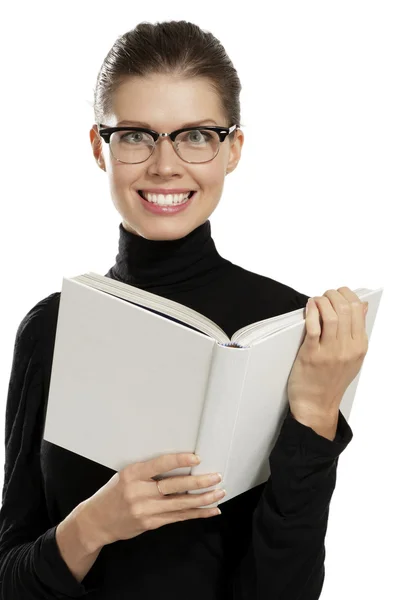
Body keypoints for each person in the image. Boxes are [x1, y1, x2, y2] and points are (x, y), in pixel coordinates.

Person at [0, 19, 367, 600]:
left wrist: (317, 418)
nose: (165, 165)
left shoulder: (290, 329)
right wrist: (93, 526)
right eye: (136, 135)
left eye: (196, 135)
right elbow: (10, 576)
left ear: (232, 150)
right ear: (100, 147)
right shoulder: (51, 328)